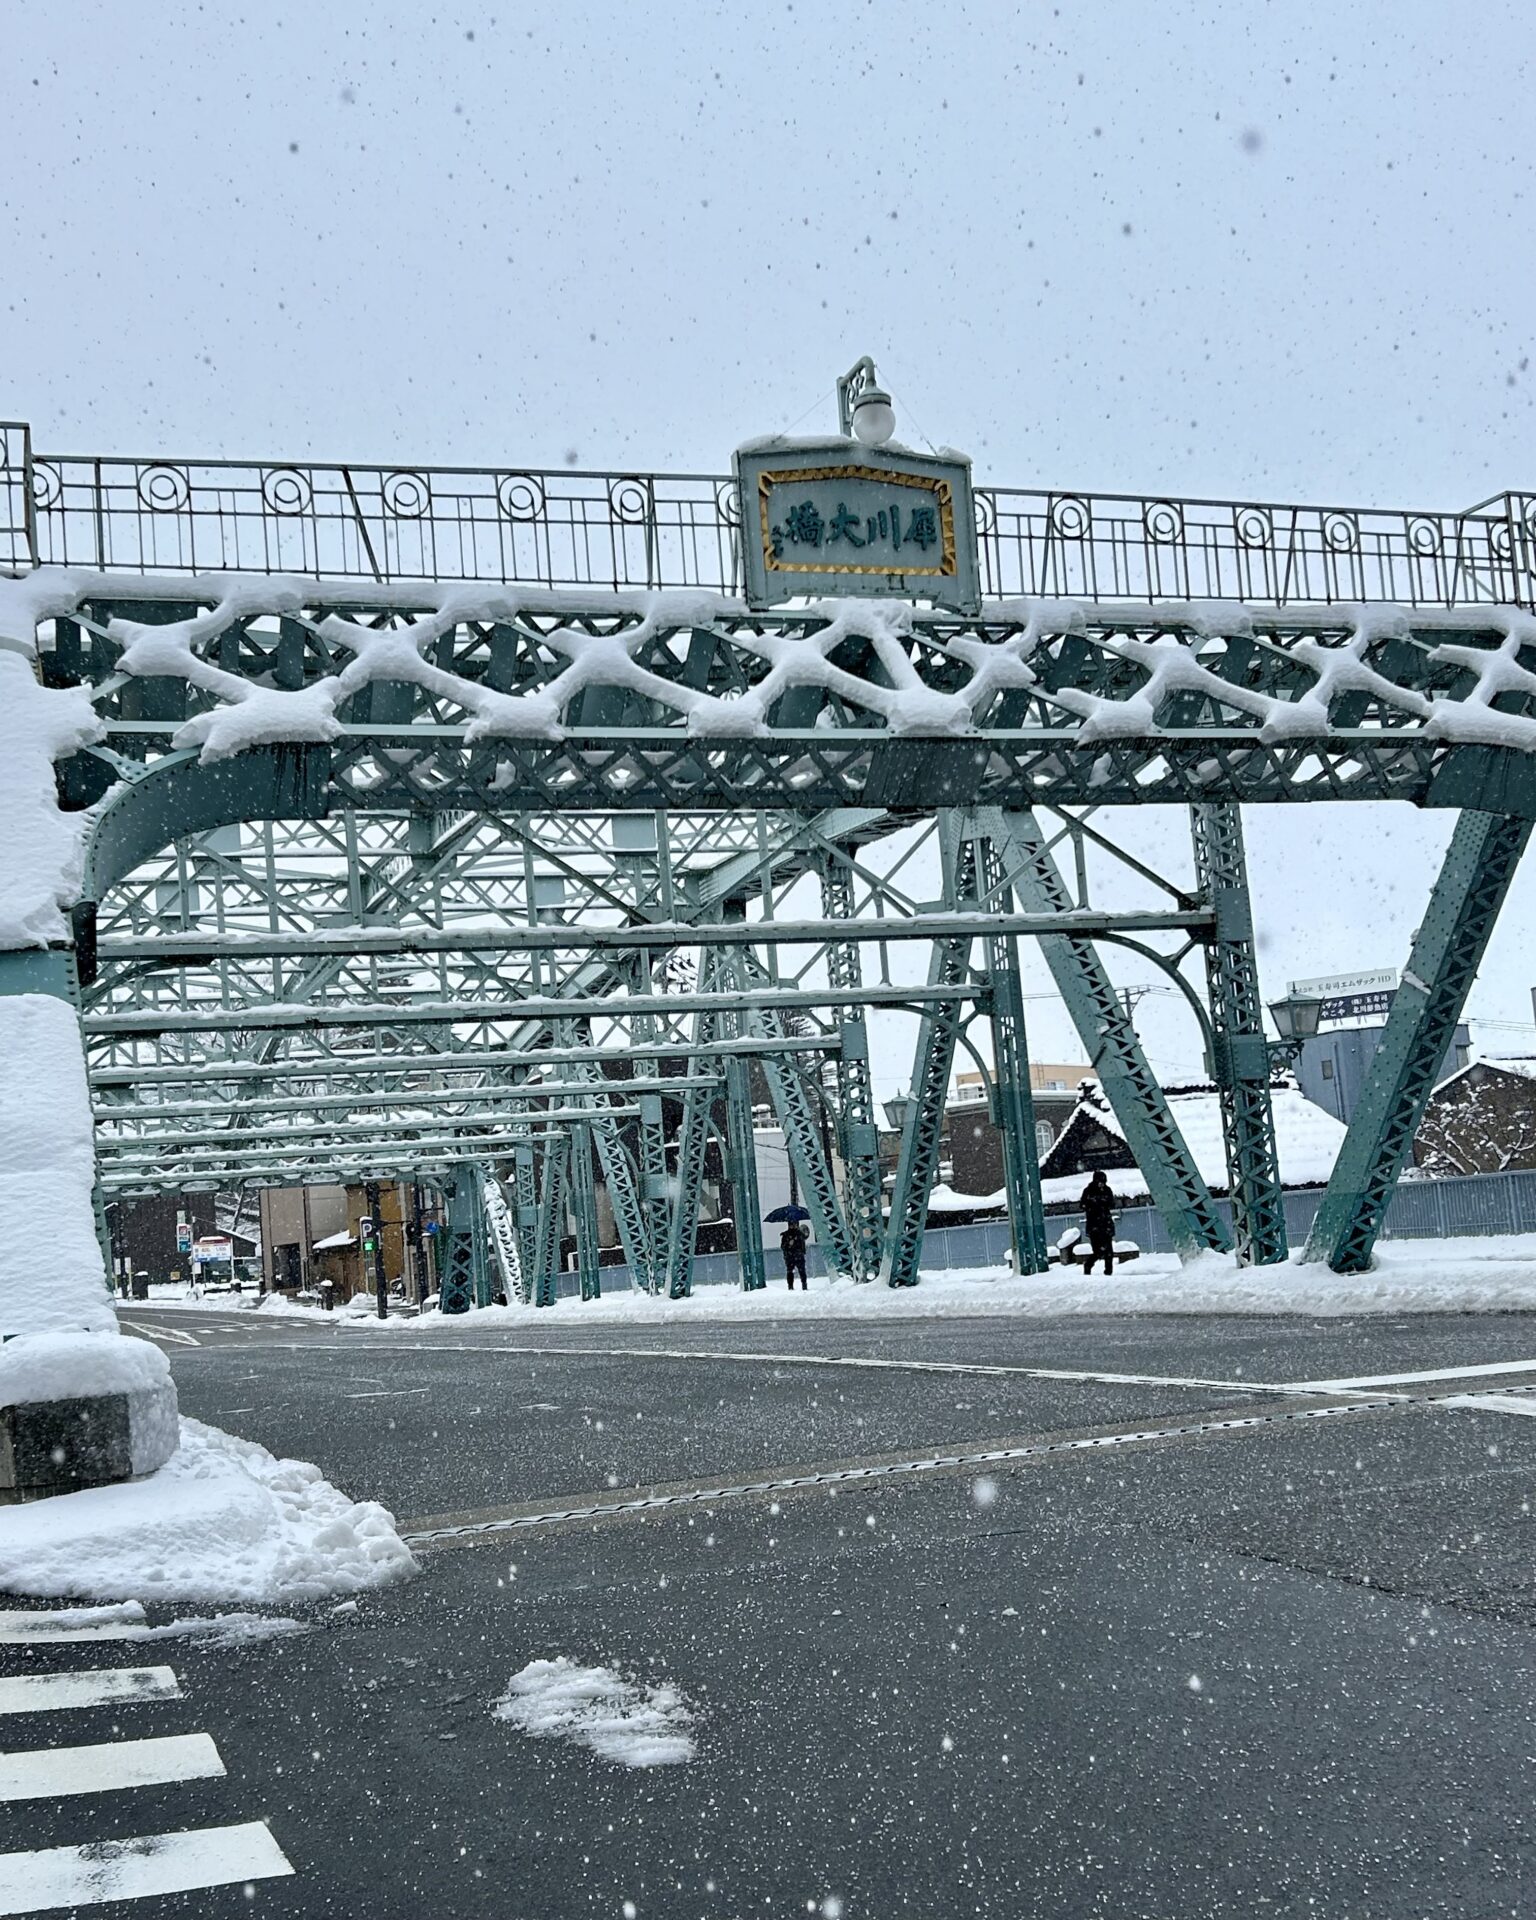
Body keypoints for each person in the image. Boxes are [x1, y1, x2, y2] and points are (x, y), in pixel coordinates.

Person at [1078, 1170, 1117, 1275]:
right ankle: (1088, 1265)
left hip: (1106, 1224)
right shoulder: (1088, 1191)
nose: (1102, 1184)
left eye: (1103, 1182)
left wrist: (1103, 1202)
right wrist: (1093, 1203)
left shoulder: (1107, 1190)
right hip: (1094, 1225)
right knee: (1098, 1251)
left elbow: (1112, 1203)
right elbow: (1082, 1205)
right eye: (1100, 1181)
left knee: (1109, 1252)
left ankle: (1108, 1272)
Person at [780, 1221, 808, 1290]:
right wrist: (789, 1244)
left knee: (801, 1271)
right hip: (791, 1256)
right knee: (791, 1271)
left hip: (797, 1255)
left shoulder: (799, 1234)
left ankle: (804, 1285)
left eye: (795, 1224)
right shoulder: (786, 1235)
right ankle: (790, 1286)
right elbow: (783, 1246)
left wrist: (802, 1252)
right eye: (792, 1224)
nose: (793, 1226)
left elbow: (802, 1244)